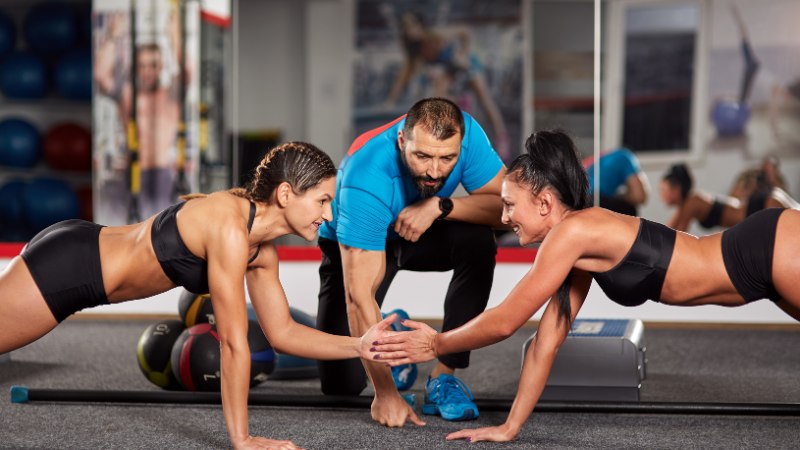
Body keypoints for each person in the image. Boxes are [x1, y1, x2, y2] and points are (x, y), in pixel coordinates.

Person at [370, 129, 800, 443]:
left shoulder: (574, 233)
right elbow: (545, 342)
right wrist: (510, 427)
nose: (503, 218)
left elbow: (505, 320)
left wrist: (438, 344)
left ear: (544, 202)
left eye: (509, 205)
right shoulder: (578, 246)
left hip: (768, 250)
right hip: (760, 271)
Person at [0, 142, 393, 450]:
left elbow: (283, 333)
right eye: (322, 201)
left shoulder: (261, 249)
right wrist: (242, 439)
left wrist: (360, 345)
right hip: (70, 268)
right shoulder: (230, 228)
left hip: (80, 251)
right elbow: (235, 345)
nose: (327, 215)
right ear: (287, 194)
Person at [316, 97, 505, 427]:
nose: (434, 171)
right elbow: (358, 299)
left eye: (447, 158)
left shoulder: (468, 134)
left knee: (477, 242)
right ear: (402, 140)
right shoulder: (366, 176)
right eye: (422, 156)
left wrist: (441, 206)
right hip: (359, 241)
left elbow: (508, 209)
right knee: (341, 386)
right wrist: (385, 393)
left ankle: (444, 376)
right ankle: (395, 332)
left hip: (418, 228)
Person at [94, 7, 187, 220]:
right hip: (130, 176)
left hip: (163, 178)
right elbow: (101, 74)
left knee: (164, 241)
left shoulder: (170, 95)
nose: (147, 70)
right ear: (135, 67)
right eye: (142, 65)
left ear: (161, 66)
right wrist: (112, 36)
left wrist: (174, 37)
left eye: (152, 65)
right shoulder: (127, 94)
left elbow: (187, 72)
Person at [381, 10, 510, 160]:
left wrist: (464, 53)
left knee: (484, 99)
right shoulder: (415, 52)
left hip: (465, 65)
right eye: (405, 27)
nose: (409, 30)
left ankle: (502, 138)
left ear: (421, 25)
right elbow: (402, 78)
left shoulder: (435, 34)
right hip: (448, 72)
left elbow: (464, 32)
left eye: (412, 25)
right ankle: (455, 110)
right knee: (438, 99)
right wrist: (390, 101)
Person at [660, 162, 797, 232]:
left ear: (677, 189)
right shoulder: (688, 204)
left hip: (758, 207)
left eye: (663, 190)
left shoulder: (692, 201)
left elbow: (673, 238)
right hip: (760, 206)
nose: (662, 195)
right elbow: (663, 231)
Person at [583, 147, 650, 216]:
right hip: (594, 201)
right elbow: (639, 196)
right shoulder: (626, 156)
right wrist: (621, 196)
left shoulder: (595, 160)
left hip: (579, 203)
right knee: (630, 208)